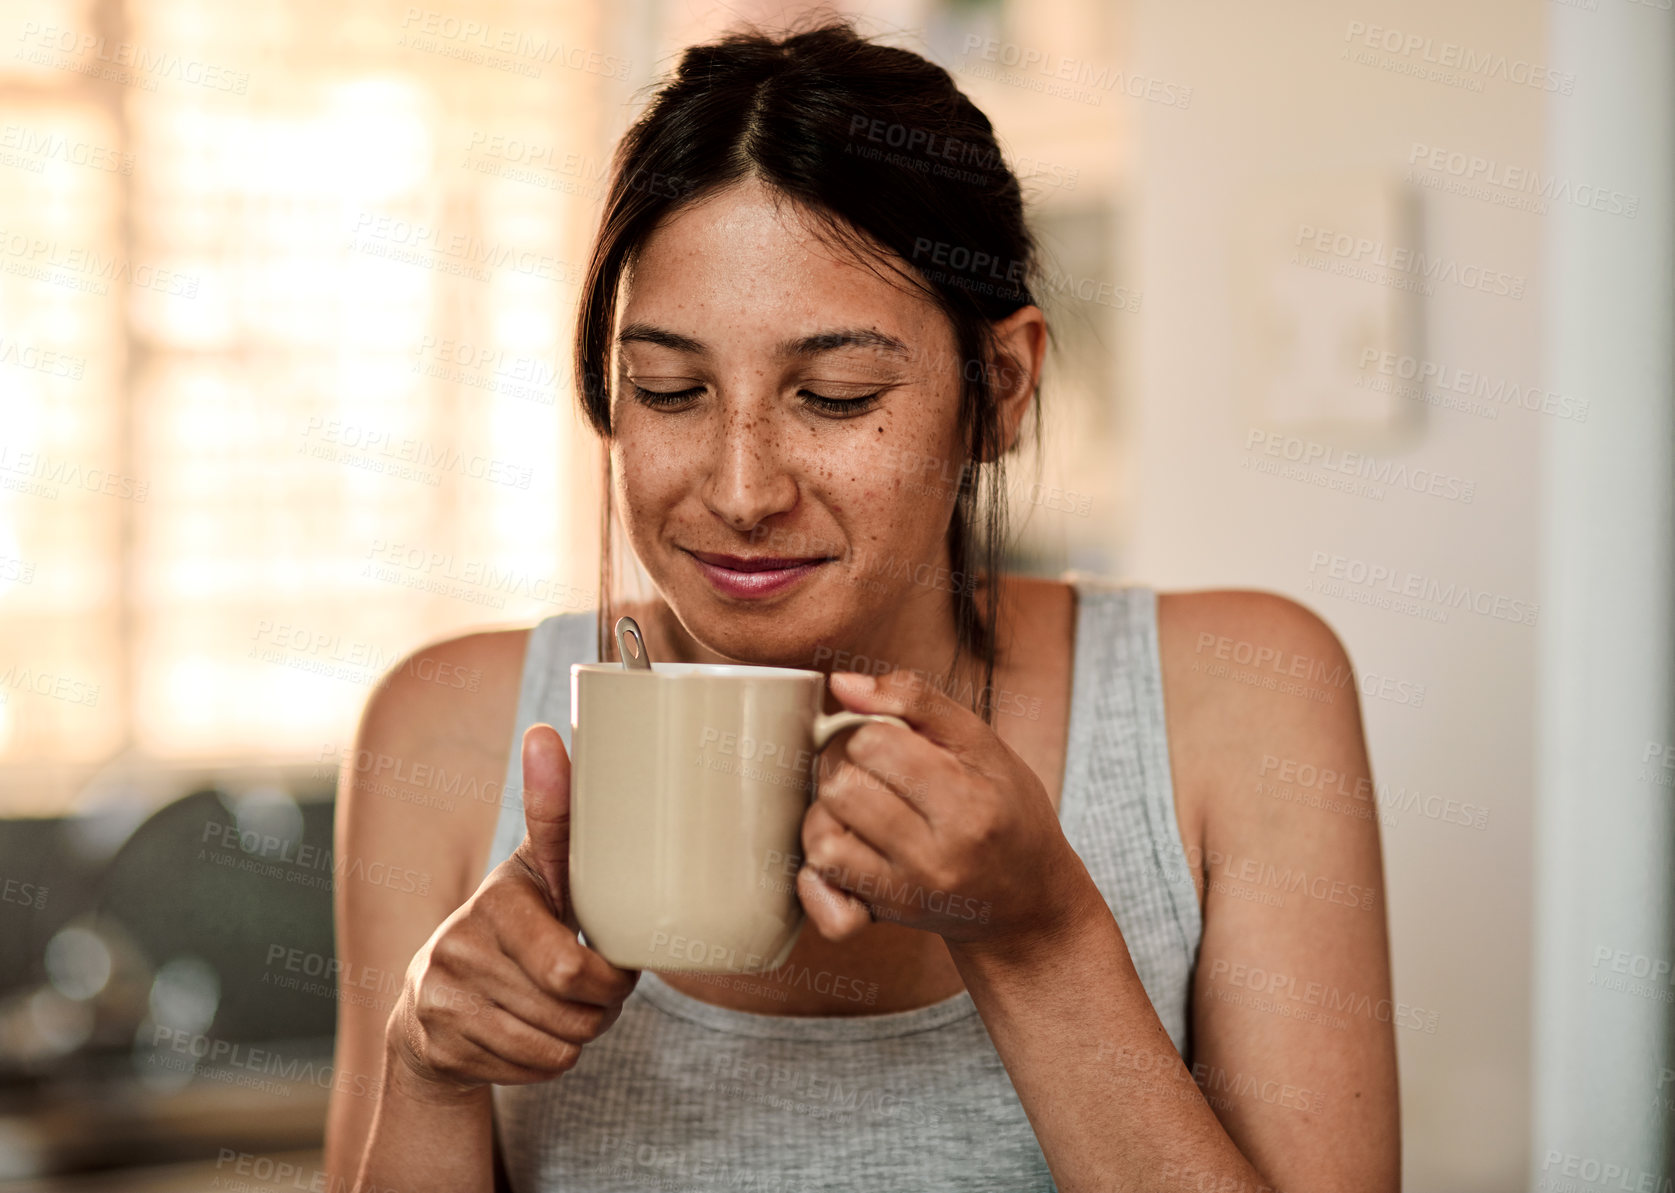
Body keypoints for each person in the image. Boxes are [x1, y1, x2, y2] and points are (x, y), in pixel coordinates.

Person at [324, 20, 1399, 1193]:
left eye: (834, 396)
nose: (740, 491)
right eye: (670, 390)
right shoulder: (440, 729)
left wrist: (1040, 935)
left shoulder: (1240, 697)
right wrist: (427, 1067)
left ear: (1000, 388)